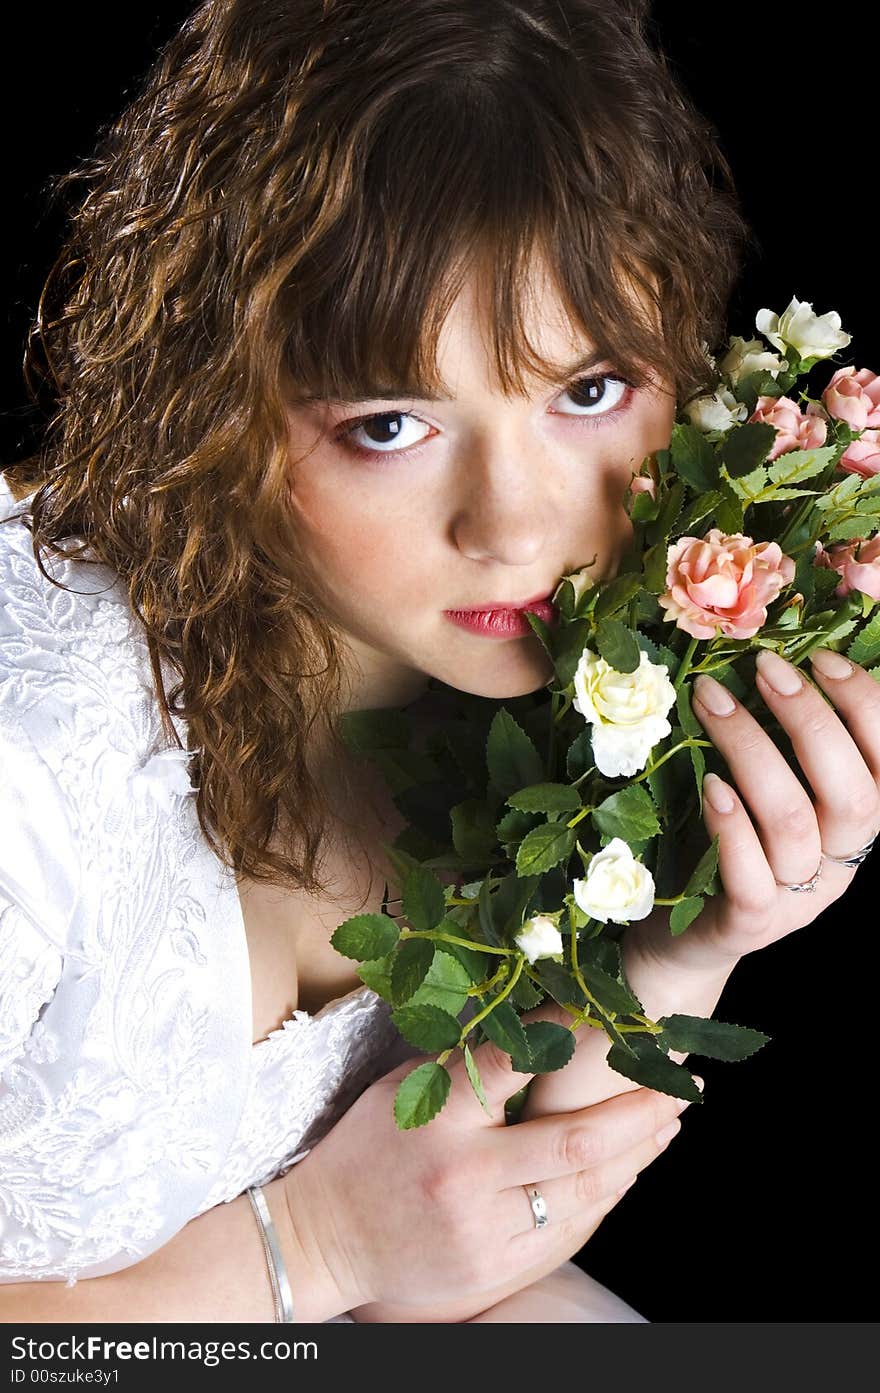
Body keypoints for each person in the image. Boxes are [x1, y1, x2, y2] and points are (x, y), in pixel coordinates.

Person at [1, 0, 877, 1324]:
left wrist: (695, 940)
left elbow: (470, 1230)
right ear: (217, 403)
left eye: (587, 393)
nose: (519, 527)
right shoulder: (33, 752)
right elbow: (383, 1255)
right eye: (392, 422)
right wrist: (312, 1247)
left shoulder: (562, 695)